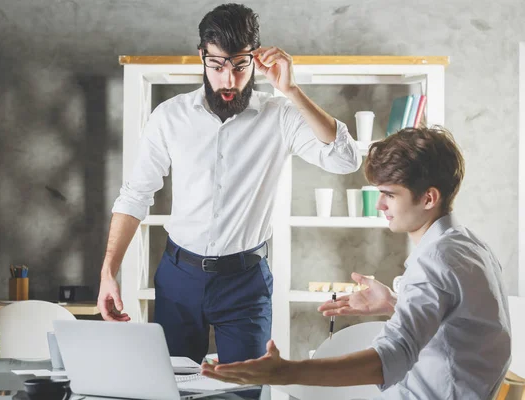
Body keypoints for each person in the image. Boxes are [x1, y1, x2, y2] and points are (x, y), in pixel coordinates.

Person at [97, 3, 361, 364]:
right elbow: (135, 195)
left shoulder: (280, 116)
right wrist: (108, 272)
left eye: (239, 66)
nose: (228, 80)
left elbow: (345, 159)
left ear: (256, 59)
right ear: (201, 56)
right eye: (217, 65)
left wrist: (292, 90)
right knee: (171, 385)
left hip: (245, 283)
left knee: (245, 390)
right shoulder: (170, 117)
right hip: (178, 278)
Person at [202, 126, 512, 399]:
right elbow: (459, 321)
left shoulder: (436, 260)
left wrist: (283, 373)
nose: (379, 205)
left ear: (429, 198)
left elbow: (391, 358)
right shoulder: (469, 245)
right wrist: (394, 302)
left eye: (389, 194)